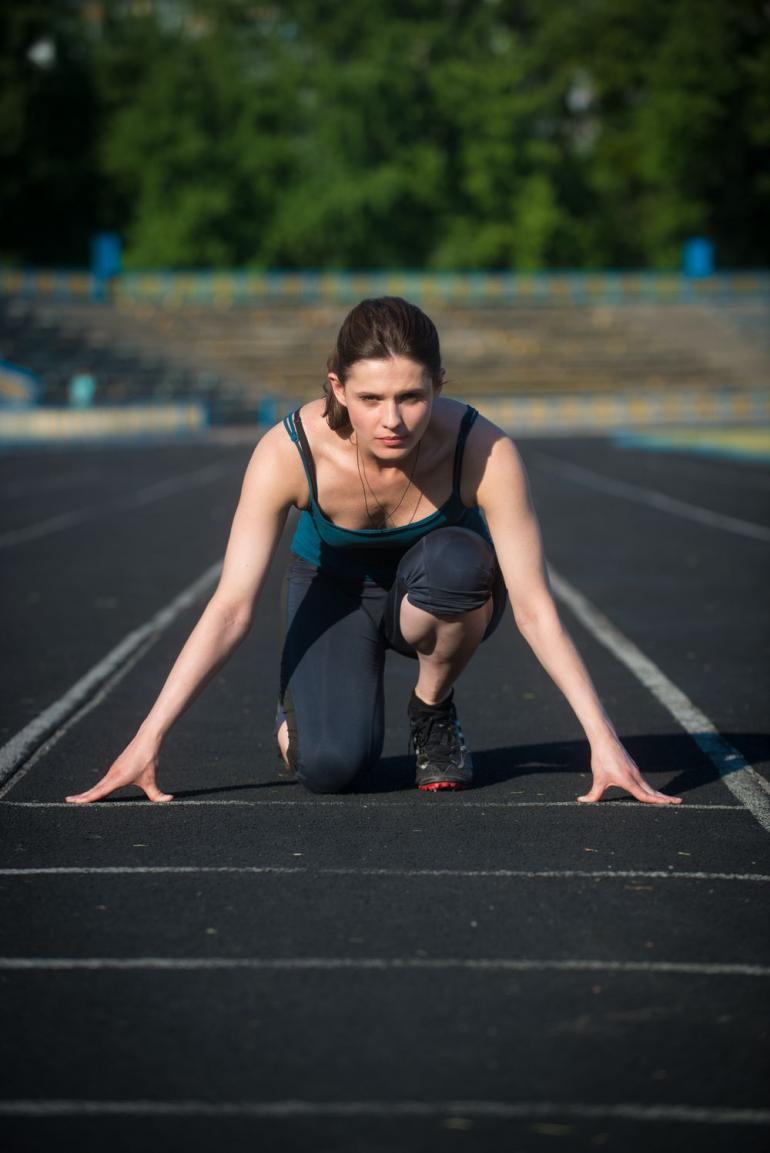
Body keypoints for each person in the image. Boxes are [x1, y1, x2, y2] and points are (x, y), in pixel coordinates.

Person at [65, 297, 681, 806]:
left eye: (413, 397)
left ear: (439, 384)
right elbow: (230, 607)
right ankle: (306, 717)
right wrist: (148, 739)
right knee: (330, 769)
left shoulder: (482, 450)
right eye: (370, 400)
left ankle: (432, 709)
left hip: (440, 590)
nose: (393, 420)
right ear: (337, 386)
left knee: (461, 562)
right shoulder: (289, 453)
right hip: (334, 591)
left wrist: (603, 741)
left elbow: (536, 608)